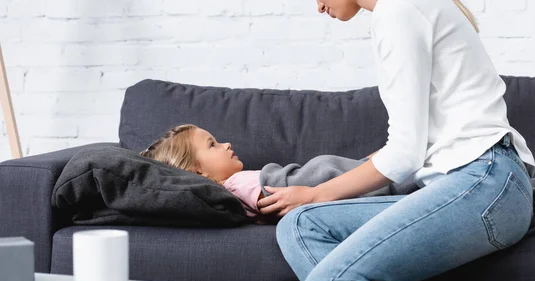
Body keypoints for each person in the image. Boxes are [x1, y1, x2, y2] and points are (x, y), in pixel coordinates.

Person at [255, 0, 535, 281]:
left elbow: (404, 155)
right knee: (300, 226)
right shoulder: (408, 1)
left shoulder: (401, 7)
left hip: (484, 183)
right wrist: (310, 201)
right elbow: (415, 145)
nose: (318, 5)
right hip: (466, 185)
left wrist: (317, 192)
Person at [139, 123, 382, 221]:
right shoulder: (237, 185)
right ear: (198, 172)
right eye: (212, 145)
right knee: (326, 166)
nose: (226, 145)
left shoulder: (237, 187)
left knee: (348, 166)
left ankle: (382, 160)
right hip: (335, 185)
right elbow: (278, 200)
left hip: (333, 180)